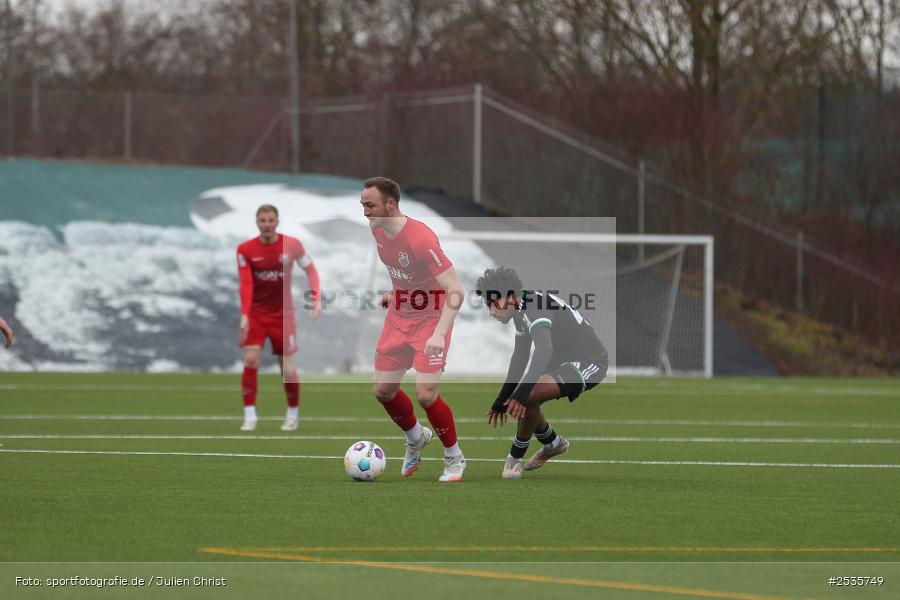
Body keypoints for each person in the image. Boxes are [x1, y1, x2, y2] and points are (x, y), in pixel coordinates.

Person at [361, 176, 467, 482]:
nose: (365, 212)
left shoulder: (421, 239)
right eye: (363, 206)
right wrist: (396, 294)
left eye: (370, 205)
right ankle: (415, 437)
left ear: (390, 204)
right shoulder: (377, 229)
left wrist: (438, 333)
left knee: (426, 395)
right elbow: (408, 274)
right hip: (398, 318)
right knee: (383, 390)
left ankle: (454, 457)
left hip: (431, 320)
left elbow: (455, 290)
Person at [475, 266, 608, 479]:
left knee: (530, 393)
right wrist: (501, 399)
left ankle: (514, 457)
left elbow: (545, 349)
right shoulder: (521, 309)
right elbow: (520, 358)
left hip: (589, 361)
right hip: (561, 360)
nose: (491, 312)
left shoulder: (535, 306)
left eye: (493, 304)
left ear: (510, 297)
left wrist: (521, 393)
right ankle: (553, 443)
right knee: (529, 394)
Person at [237, 204, 320, 432]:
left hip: (284, 316)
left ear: (277, 221)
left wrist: (315, 296)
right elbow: (245, 284)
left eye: (270, 220)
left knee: (286, 368)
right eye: (262, 220)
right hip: (256, 314)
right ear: (257, 222)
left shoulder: (292, 245)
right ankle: (250, 416)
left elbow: (311, 270)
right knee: (251, 359)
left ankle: (292, 413)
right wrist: (244, 315)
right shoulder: (245, 249)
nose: (266, 224)